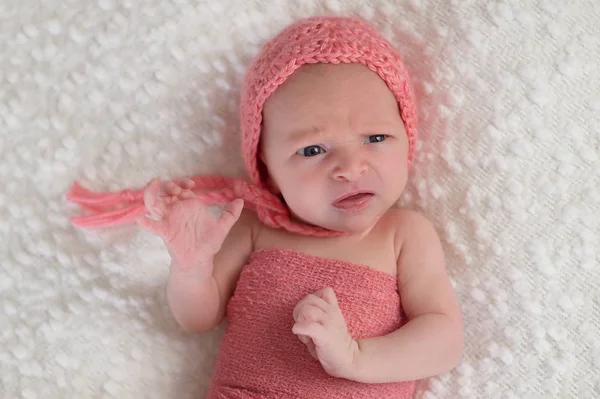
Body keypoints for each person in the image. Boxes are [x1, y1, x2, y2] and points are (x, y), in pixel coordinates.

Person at [67, 15, 463, 398]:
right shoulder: (254, 228)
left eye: (376, 138)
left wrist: (356, 358)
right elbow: (196, 319)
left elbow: (444, 339)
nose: (350, 167)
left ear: (407, 138)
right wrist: (191, 267)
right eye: (312, 150)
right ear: (268, 171)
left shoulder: (402, 235)